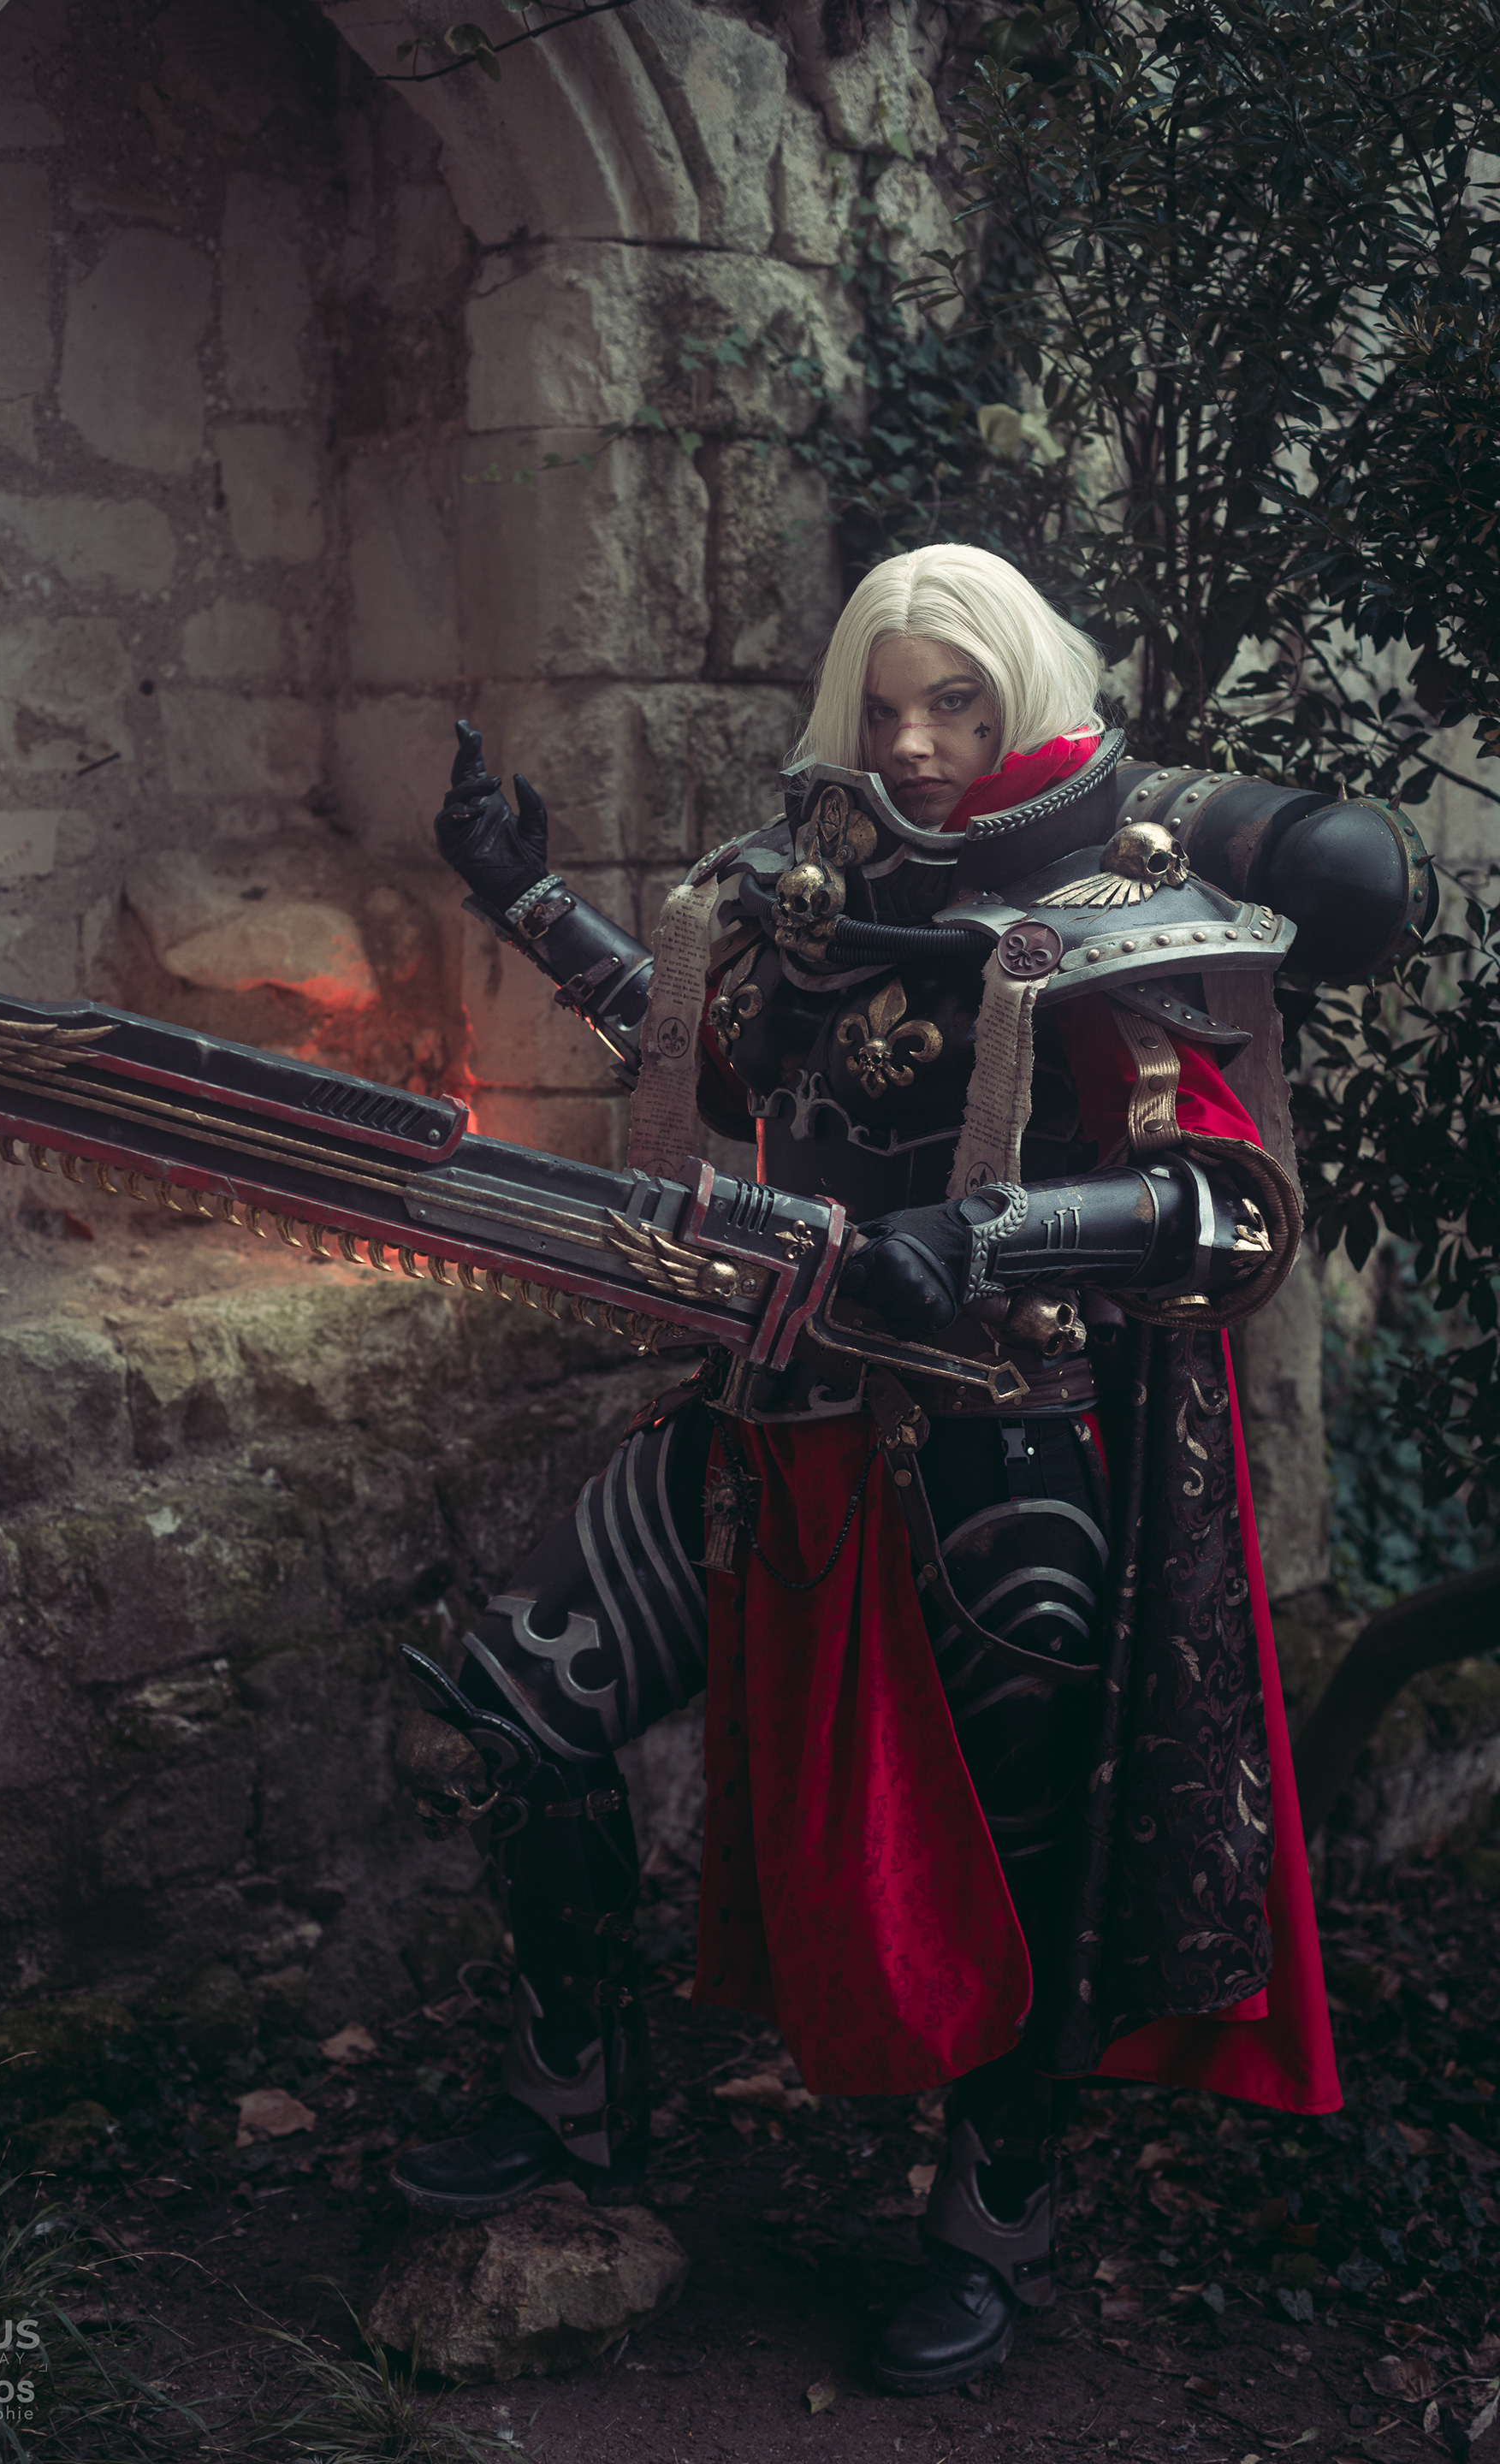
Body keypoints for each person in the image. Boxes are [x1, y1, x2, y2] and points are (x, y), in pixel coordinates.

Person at [392, 545, 1432, 2393]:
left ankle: (990, 2221)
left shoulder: (1117, 882)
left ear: (1018, 689)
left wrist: (992, 1235)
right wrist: (526, 895)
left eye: (955, 702)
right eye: (884, 708)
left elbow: (1219, 1199)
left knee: (1017, 1845)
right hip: (774, 1416)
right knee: (523, 1701)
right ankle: (570, 2109)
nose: (918, 744)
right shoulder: (819, 874)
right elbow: (718, 1059)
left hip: (1001, 1433)